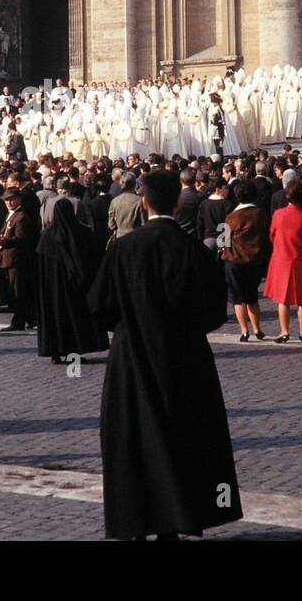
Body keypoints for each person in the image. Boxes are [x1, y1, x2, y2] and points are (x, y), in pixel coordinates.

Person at [89, 169, 243, 540]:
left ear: (145, 201)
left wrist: (129, 322)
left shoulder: (124, 248)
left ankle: (135, 520)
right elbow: (213, 312)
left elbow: (98, 304)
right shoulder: (192, 249)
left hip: (132, 356)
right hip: (184, 357)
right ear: (177, 202)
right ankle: (177, 519)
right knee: (184, 435)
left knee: (133, 437)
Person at [35, 198, 108, 363]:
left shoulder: (47, 237)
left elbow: (41, 266)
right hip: (75, 287)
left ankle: (55, 352)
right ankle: (74, 350)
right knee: (75, 317)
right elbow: (91, 261)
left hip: (53, 288)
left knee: (56, 317)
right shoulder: (82, 232)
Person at [264, 177, 302, 343]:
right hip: (299, 258)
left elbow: (272, 235)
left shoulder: (278, 214)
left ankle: (284, 331)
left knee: (282, 299)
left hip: (281, 257)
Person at [219, 179, 269, 341]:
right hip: (255, 261)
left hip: (234, 261)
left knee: (238, 299)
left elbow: (223, 241)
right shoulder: (261, 214)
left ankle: (244, 330)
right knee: (252, 296)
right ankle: (257, 328)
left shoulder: (231, 217)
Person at [0, 187, 36, 331]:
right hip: (9, 258)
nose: (9, 202)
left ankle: (19, 321)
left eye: (12, 199)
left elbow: (21, 238)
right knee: (16, 290)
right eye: (7, 200)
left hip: (17, 258)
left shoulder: (21, 216)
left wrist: (5, 242)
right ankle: (29, 318)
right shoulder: (11, 215)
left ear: (19, 199)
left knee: (18, 291)